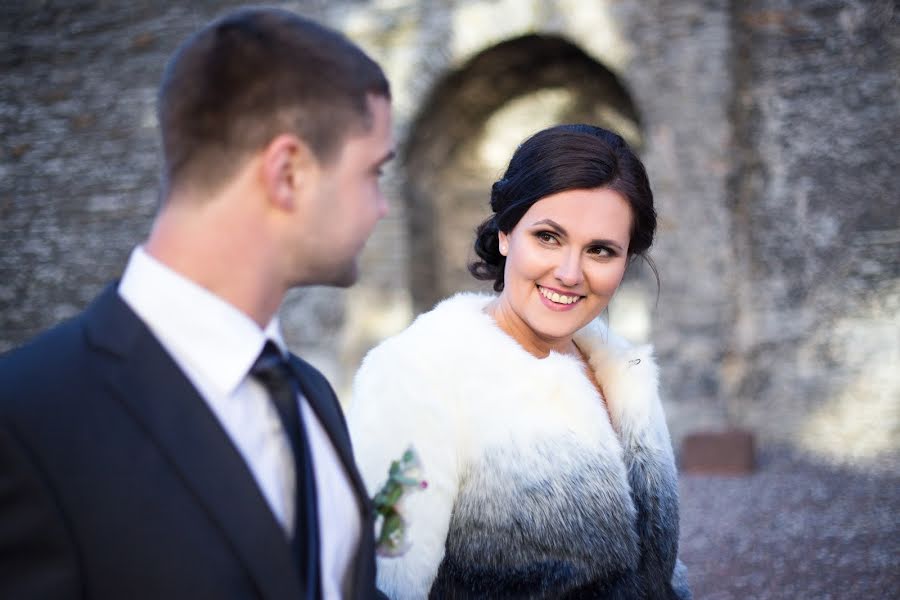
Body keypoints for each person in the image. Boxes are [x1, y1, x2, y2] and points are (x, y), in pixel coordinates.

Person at [0, 7, 393, 600]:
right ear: (288, 172)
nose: (381, 207)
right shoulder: (25, 420)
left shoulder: (311, 398)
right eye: (373, 173)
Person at [348, 124, 691, 599]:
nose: (570, 273)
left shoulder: (622, 375)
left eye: (600, 250)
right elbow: (384, 584)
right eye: (549, 237)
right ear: (506, 232)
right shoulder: (419, 375)